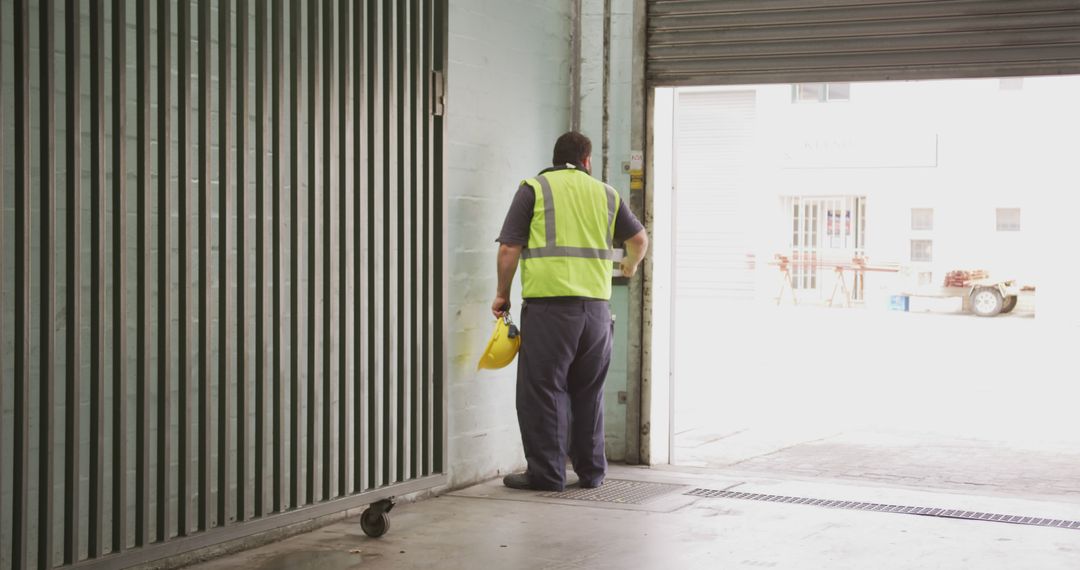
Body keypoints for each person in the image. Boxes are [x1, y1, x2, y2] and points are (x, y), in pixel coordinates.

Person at [492, 132, 649, 491]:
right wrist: (628, 268)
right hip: (595, 314)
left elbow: (508, 250)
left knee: (544, 391)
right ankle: (592, 472)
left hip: (550, 312)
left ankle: (547, 474)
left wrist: (502, 294)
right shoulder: (606, 193)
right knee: (588, 391)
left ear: (554, 156)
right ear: (586, 161)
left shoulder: (534, 188)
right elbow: (639, 241)